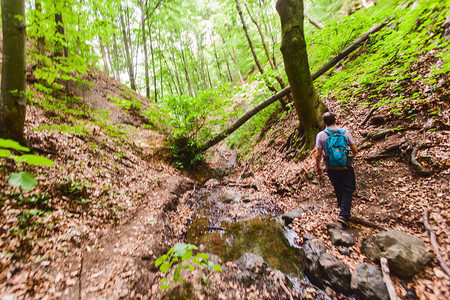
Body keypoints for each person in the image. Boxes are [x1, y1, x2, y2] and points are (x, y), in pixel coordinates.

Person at [315, 112, 358, 226]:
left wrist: (318, 167)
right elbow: (355, 150)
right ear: (336, 119)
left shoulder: (321, 135)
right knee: (349, 188)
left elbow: (318, 154)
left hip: (331, 167)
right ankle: (344, 215)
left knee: (338, 187)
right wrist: (348, 159)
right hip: (346, 166)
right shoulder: (345, 132)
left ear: (324, 122)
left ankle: (342, 208)